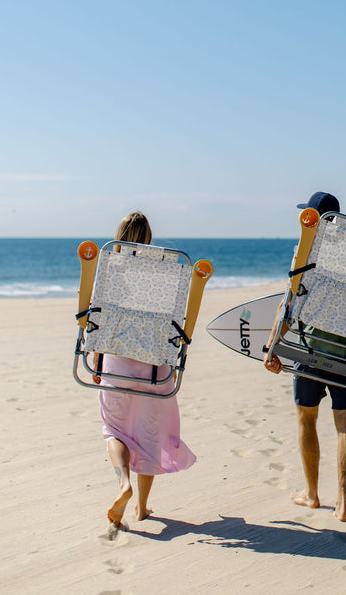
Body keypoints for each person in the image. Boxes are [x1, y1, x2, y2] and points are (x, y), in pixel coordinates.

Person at [95, 211, 196, 528]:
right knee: (150, 437)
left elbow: (100, 319)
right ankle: (141, 507)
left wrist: (97, 361)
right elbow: (175, 323)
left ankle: (123, 482)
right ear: (149, 239)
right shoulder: (166, 274)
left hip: (118, 362)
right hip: (155, 366)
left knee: (115, 431)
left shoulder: (111, 269)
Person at [264, 192, 346, 523]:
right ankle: (343, 503)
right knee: (345, 423)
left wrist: (272, 346)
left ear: (314, 219)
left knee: (307, 419)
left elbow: (289, 304)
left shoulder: (306, 252)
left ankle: (312, 493)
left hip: (310, 350)